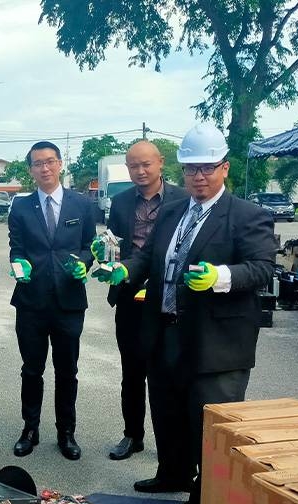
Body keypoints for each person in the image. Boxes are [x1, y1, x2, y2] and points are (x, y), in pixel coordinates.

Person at [103, 123, 275, 504]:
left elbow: (263, 268)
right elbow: (149, 258)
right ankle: (172, 473)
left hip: (215, 339)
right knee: (167, 410)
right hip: (166, 329)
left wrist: (221, 277)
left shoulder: (248, 215)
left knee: (208, 422)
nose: (199, 176)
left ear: (224, 168)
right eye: (191, 169)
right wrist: (124, 271)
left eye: (207, 168)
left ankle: (206, 495)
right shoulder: (174, 210)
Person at [8, 141, 98, 460]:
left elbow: (90, 245)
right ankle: (29, 429)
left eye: (49, 162)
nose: (44, 168)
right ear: (31, 170)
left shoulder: (82, 204)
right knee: (31, 369)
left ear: (60, 164)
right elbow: (16, 249)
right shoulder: (20, 206)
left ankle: (66, 432)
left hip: (69, 301)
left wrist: (84, 263)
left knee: (66, 370)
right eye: (37, 164)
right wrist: (18, 265)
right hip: (31, 301)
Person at [100, 140, 187, 461]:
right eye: (133, 165)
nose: (140, 171)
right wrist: (106, 257)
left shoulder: (183, 198)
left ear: (161, 163)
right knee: (132, 371)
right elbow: (114, 245)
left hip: (168, 296)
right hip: (130, 296)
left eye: (146, 164)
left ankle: (173, 443)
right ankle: (132, 435)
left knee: (168, 372)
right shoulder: (121, 202)